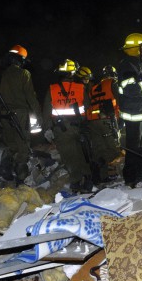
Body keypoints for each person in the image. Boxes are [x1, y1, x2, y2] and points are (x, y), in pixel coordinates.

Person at [0, 44, 43, 184]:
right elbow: (30, 97)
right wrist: (38, 115)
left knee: (11, 143)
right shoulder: (24, 74)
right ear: (21, 60)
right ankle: (21, 178)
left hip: (4, 115)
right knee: (23, 145)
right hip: (20, 114)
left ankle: (5, 168)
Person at [42, 59, 94, 193]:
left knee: (69, 156)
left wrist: (47, 128)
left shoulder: (52, 89)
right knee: (83, 153)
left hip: (61, 130)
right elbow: (88, 107)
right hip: (79, 127)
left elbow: (46, 111)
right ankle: (88, 179)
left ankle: (76, 182)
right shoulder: (81, 87)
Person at [117, 33, 142, 188]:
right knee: (134, 149)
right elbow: (130, 89)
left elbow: (141, 85)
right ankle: (131, 178)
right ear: (137, 49)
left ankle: (139, 175)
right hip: (134, 114)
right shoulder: (127, 65)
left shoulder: (139, 65)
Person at [87, 65, 122, 183]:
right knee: (114, 148)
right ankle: (115, 174)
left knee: (99, 150)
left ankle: (101, 176)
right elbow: (120, 100)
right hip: (107, 119)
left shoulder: (94, 87)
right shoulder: (113, 83)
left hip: (93, 121)